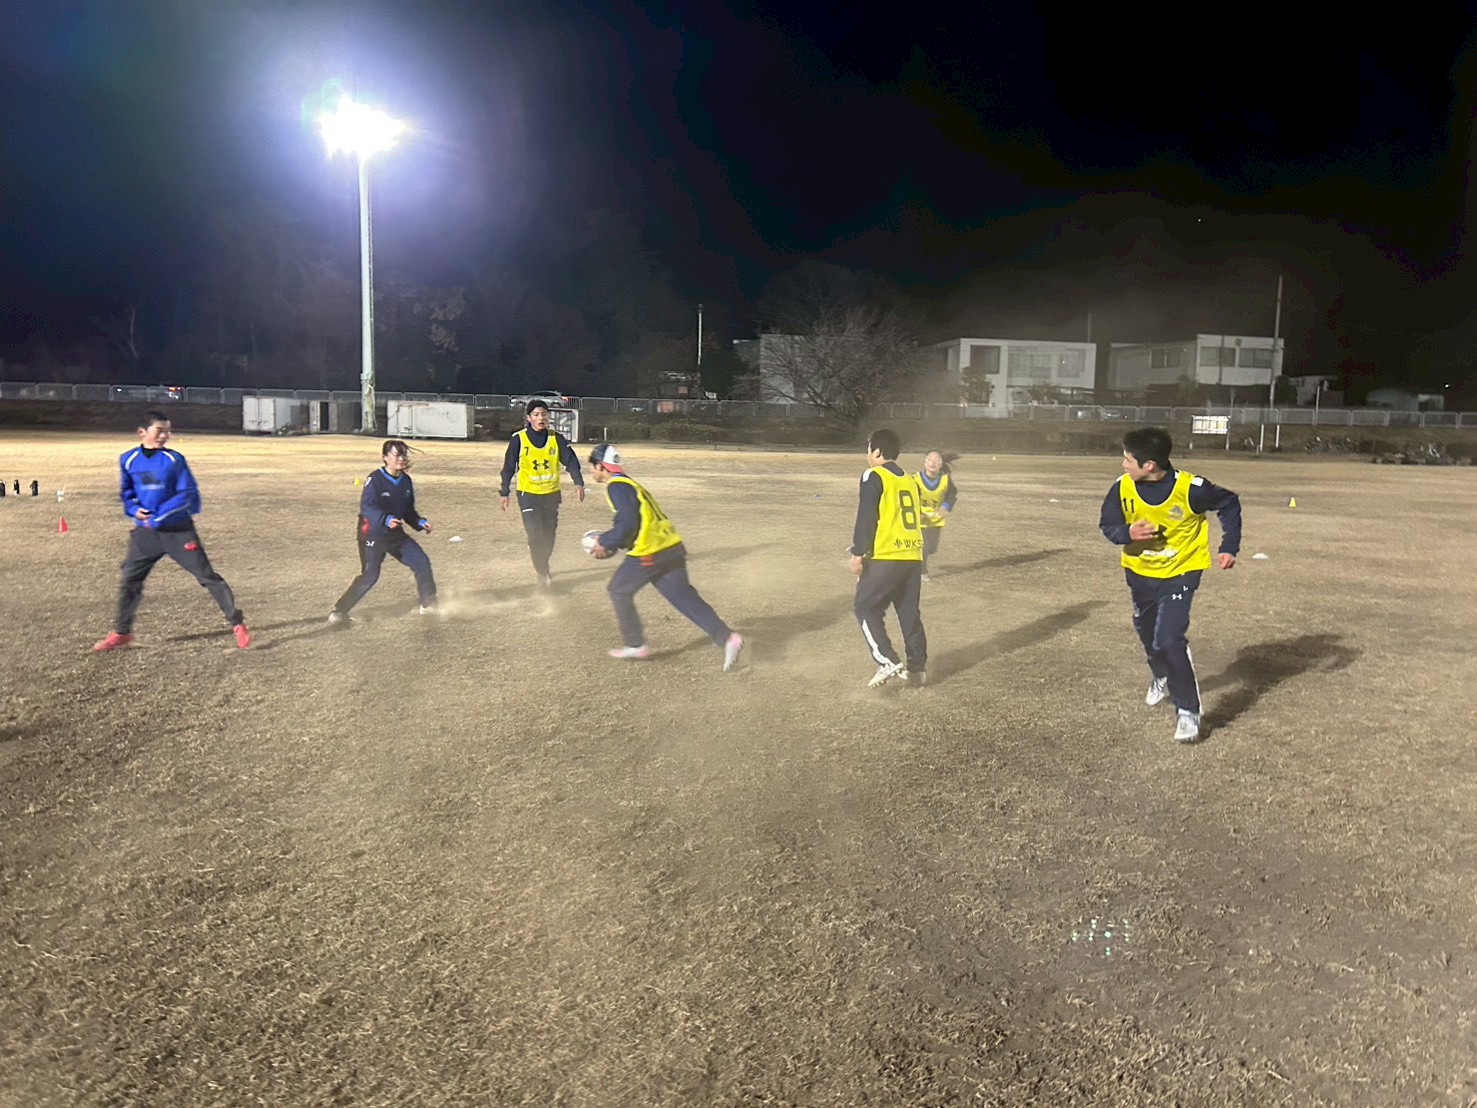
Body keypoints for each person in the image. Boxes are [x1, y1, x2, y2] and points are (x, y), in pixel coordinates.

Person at [1099, 427, 1241, 743]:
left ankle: (1188, 712)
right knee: (1147, 632)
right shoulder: (1122, 487)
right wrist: (1127, 533)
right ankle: (1161, 673)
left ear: (1149, 465)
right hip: (1139, 574)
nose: (1123, 465)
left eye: (1128, 459)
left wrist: (1229, 545)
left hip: (1181, 572)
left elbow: (1229, 503)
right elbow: (1108, 525)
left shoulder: (1192, 489)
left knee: (1169, 638)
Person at [93, 411, 251, 652]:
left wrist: (159, 517)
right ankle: (122, 633)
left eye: (168, 431)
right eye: (160, 431)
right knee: (129, 580)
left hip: (178, 531)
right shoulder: (128, 459)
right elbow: (126, 492)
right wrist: (134, 510)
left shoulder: (174, 459)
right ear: (142, 432)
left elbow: (187, 494)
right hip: (146, 534)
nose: (165, 436)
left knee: (207, 577)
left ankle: (237, 624)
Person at [586, 443, 743, 671]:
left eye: (592, 466)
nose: (591, 471)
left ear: (600, 466)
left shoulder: (616, 486)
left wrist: (606, 542)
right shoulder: (629, 483)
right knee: (684, 598)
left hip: (651, 551)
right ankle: (728, 638)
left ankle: (635, 645)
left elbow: (628, 522)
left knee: (618, 590)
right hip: (671, 547)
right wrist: (614, 540)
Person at [849, 429, 927, 688]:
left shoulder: (873, 475)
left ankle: (887, 661)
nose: (867, 455)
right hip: (912, 556)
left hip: (886, 556)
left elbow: (867, 517)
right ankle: (917, 670)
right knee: (908, 613)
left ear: (877, 451)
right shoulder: (911, 480)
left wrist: (858, 553)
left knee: (864, 606)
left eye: (868, 449)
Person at [330, 440, 437, 624]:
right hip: (373, 534)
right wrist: (386, 519)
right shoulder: (375, 480)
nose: (402, 458)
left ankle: (428, 605)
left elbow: (408, 511)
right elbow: (367, 507)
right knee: (370, 575)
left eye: (404, 455)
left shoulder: (406, 481)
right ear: (385, 458)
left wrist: (420, 522)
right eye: (397, 455)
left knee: (421, 562)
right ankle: (339, 611)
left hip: (395, 535)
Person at [498, 399, 585, 589]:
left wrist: (578, 482)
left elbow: (571, 461)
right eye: (536, 415)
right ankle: (543, 572)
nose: (541, 418)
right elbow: (508, 468)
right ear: (529, 418)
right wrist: (504, 492)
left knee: (548, 537)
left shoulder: (556, 439)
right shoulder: (518, 439)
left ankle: (541, 561)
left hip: (551, 495)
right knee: (535, 532)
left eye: (544, 414)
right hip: (528, 494)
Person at [914, 449, 960, 581]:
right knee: (924, 546)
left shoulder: (945, 480)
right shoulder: (915, 479)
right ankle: (922, 572)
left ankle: (916, 563)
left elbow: (951, 495)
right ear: (925, 462)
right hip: (920, 519)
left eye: (937, 460)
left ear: (941, 464)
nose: (932, 462)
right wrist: (916, 511)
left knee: (932, 548)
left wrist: (945, 507)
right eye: (930, 459)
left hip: (936, 520)